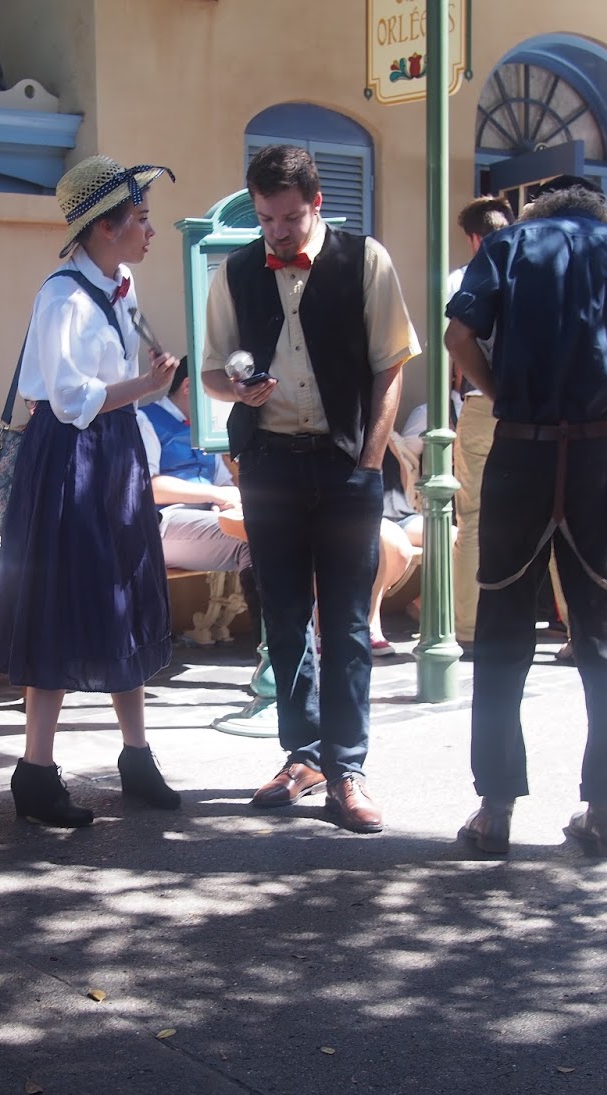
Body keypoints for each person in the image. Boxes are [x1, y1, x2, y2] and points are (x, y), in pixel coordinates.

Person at [446, 176, 607, 859]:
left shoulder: (506, 246)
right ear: (601, 211)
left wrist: (499, 392)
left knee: (501, 636)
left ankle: (495, 811)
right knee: (605, 637)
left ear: (538, 210)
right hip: (594, 457)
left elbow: (458, 334)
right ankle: (606, 810)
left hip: (520, 453)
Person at [201, 144, 418, 834]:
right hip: (267, 462)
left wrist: (370, 459)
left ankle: (347, 766)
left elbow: (392, 366)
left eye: (289, 218)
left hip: (345, 461)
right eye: (266, 218)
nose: (277, 231)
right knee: (285, 618)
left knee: (349, 623)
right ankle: (302, 755)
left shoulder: (365, 261)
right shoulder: (236, 272)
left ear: (316, 204)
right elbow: (209, 374)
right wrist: (236, 387)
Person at [0, 155, 182, 828]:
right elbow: (73, 399)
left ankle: (137, 758)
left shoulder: (118, 282)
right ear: (105, 228)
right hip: (71, 457)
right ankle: (35, 772)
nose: (150, 232)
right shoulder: (62, 297)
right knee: (63, 602)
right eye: (141, 220)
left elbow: (130, 361)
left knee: (123, 597)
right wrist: (149, 387)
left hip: (116, 451)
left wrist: (154, 370)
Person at [448, 195, 514, 647]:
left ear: (474, 238)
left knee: (471, 519)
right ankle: (572, 620)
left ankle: (468, 627)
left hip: (479, 402)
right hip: (531, 407)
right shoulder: (532, 270)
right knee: (552, 510)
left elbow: (455, 345)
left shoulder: (463, 277)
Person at [135, 357, 252, 582]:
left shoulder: (206, 429)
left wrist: (223, 503)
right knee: (252, 538)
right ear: (188, 387)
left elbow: (223, 484)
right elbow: (148, 487)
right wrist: (215, 495)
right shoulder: (144, 419)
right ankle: (267, 618)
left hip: (205, 520)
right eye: (217, 392)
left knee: (276, 533)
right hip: (161, 524)